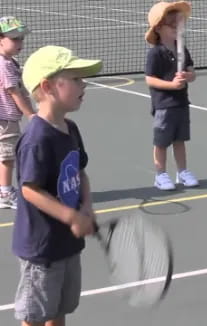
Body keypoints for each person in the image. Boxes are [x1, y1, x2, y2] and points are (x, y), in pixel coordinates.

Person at [13, 45, 101, 325]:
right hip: (42, 249)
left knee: (58, 310)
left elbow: (80, 171)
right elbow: (29, 189)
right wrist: (70, 216)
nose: (83, 83)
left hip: (68, 245)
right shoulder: (37, 139)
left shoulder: (71, 129)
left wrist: (86, 207)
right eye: (75, 79)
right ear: (48, 86)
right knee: (36, 315)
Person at [145, 1, 199, 191]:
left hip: (181, 104)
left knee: (180, 140)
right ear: (159, 28)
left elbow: (192, 72)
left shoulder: (182, 48)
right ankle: (160, 175)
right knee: (161, 143)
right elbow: (150, 79)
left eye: (179, 25)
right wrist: (171, 85)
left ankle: (182, 172)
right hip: (163, 106)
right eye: (173, 25)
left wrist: (187, 76)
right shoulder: (155, 54)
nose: (177, 28)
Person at [0, 16, 35, 209]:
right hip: (6, 120)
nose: (20, 42)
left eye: (21, 38)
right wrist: (31, 114)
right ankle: (5, 193)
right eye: (14, 38)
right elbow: (14, 93)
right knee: (7, 157)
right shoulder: (5, 65)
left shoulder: (7, 61)